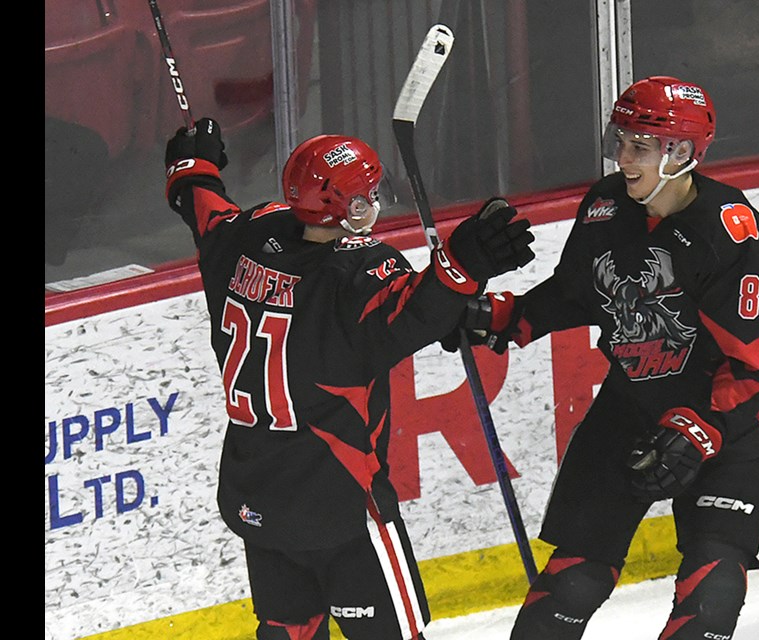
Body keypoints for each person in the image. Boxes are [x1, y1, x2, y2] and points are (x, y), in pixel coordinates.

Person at [448, 76, 759, 639]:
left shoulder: (732, 232)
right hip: (629, 410)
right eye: (622, 141)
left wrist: (702, 429)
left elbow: (755, 364)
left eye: (640, 146)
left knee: (712, 593)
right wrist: (505, 317)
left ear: (681, 153)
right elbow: (575, 292)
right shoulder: (606, 208)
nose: (622, 157)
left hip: (723, 425)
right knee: (568, 586)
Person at [163, 117, 535, 640]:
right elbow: (413, 314)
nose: (374, 201)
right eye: (366, 195)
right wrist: (463, 261)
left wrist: (191, 166)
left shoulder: (246, 236)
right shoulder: (356, 273)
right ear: (345, 207)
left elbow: (200, 206)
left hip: (258, 497)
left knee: (287, 633)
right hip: (343, 505)